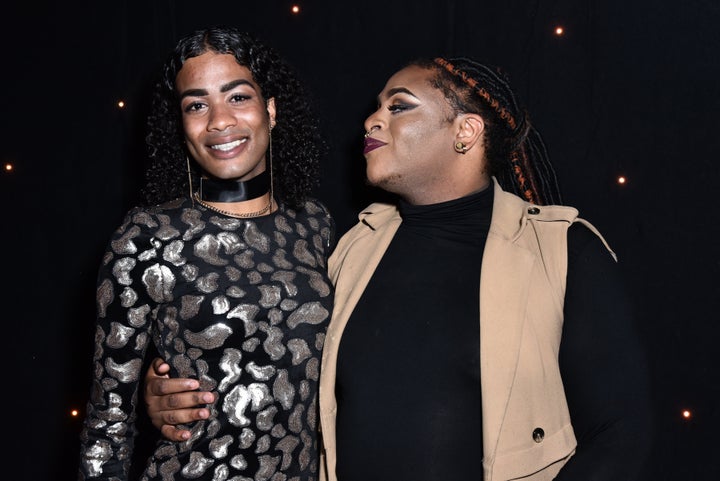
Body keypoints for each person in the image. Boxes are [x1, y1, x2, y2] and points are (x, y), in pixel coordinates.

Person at [144, 57, 652, 480]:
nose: (371, 120)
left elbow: (621, 435)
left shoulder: (563, 251)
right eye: (375, 108)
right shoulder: (349, 249)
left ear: (466, 132)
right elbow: (275, 366)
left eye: (399, 106)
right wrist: (172, 390)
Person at [78, 26, 335, 481]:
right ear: (180, 126)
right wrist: (151, 399)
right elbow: (108, 423)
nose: (218, 120)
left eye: (237, 97)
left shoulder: (316, 223)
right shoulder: (146, 237)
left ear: (270, 110)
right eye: (196, 105)